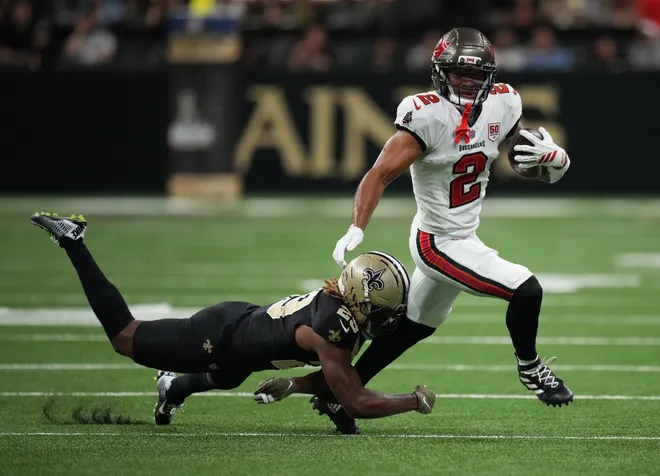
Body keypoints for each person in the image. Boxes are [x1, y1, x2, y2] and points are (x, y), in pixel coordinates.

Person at [258, 27, 573, 434]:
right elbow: (379, 174)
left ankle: (334, 393)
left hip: (464, 236)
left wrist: (552, 162)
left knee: (413, 327)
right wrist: (357, 225)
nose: (467, 81)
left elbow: (520, 155)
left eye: (476, 74)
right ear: (440, 73)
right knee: (526, 289)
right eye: (458, 73)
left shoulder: (504, 101)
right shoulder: (426, 115)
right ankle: (531, 369)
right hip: (436, 242)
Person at [29, 212, 436, 426]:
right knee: (124, 336)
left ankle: (172, 387)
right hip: (220, 336)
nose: (388, 319)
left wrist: (294, 385)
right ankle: (73, 240)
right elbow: (353, 400)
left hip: (243, 334)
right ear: (359, 300)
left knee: (228, 375)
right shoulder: (335, 329)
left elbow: (336, 379)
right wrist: (412, 401)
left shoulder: (341, 312)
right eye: (382, 310)